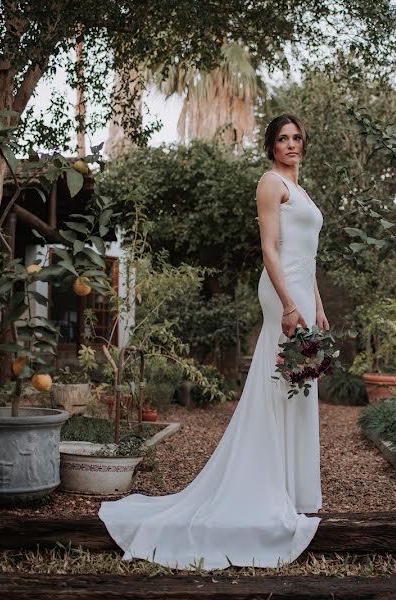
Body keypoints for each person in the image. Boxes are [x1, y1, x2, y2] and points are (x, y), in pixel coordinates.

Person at [99, 114, 326, 570]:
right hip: (281, 292)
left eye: (297, 138)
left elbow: (309, 256)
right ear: (271, 146)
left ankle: (295, 489)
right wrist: (287, 304)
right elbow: (271, 250)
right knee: (278, 384)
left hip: (304, 290)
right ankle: (264, 487)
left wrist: (318, 305)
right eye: (282, 139)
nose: (291, 144)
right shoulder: (270, 184)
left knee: (300, 386)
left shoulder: (303, 192)